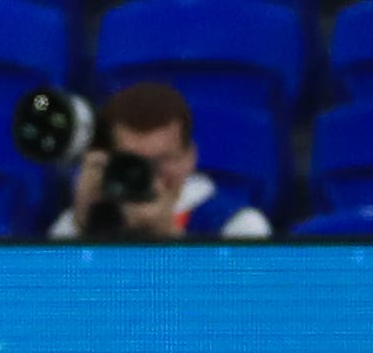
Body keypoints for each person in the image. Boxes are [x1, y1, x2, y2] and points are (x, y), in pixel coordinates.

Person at [47, 81, 272, 240]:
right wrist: (81, 224)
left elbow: (241, 303)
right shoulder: (81, 221)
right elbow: (53, 296)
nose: (149, 174)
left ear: (190, 157)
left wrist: (168, 237)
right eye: (133, 161)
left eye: (162, 161)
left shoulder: (238, 226)